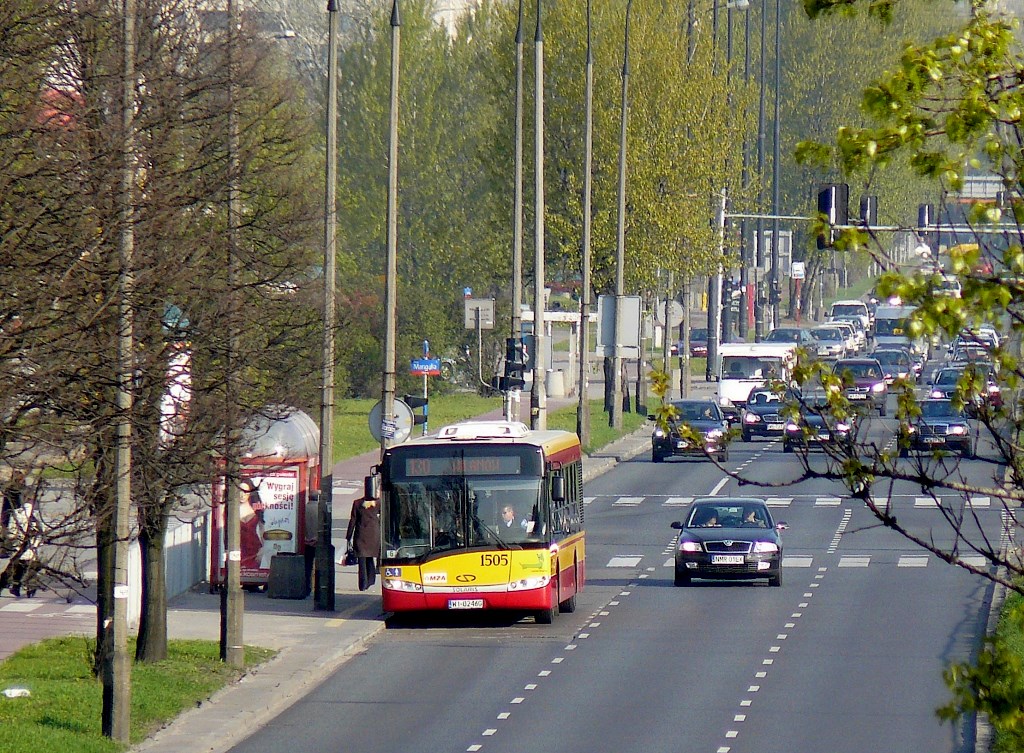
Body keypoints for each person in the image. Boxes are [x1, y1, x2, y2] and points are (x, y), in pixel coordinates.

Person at [346, 493, 381, 591]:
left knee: (362, 560)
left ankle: (363, 583)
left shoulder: (357, 503)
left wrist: (348, 536)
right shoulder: (378, 503)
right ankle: (371, 579)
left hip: (361, 534)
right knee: (369, 558)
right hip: (374, 535)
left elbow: (353, 520)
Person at [1, 470, 26, 556]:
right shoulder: (14, 487)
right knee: (9, 527)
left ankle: (6, 547)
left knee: (7, 526)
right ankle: (5, 548)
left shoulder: (9, 486)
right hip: (12, 510)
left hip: (11, 510)